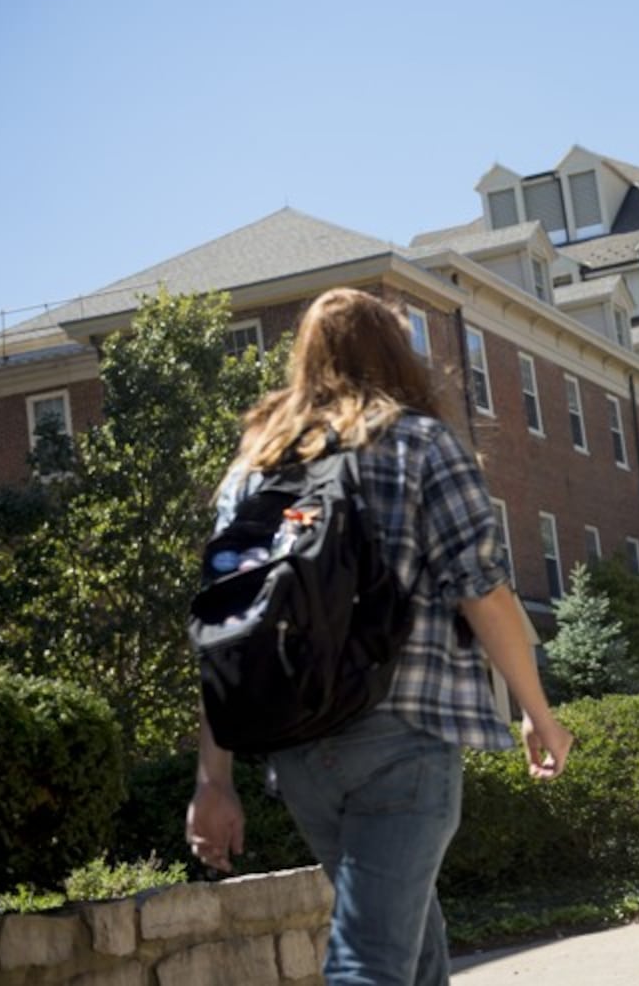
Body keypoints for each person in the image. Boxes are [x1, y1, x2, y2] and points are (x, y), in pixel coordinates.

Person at [185, 288, 574, 985]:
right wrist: (536, 714)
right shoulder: (420, 444)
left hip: (300, 752)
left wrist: (213, 782)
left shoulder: (250, 475)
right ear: (398, 355)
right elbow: (483, 591)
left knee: (413, 954)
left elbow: (226, 631)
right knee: (371, 965)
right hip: (404, 741)